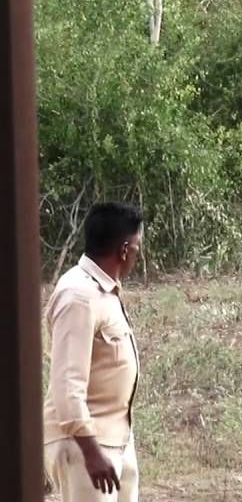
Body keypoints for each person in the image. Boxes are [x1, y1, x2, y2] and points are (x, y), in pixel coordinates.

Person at [43, 202, 145, 502]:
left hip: (116, 438)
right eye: (138, 248)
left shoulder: (104, 290)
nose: (138, 257)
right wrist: (91, 451)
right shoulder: (79, 296)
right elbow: (67, 384)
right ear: (125, 250)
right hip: (87, 445)